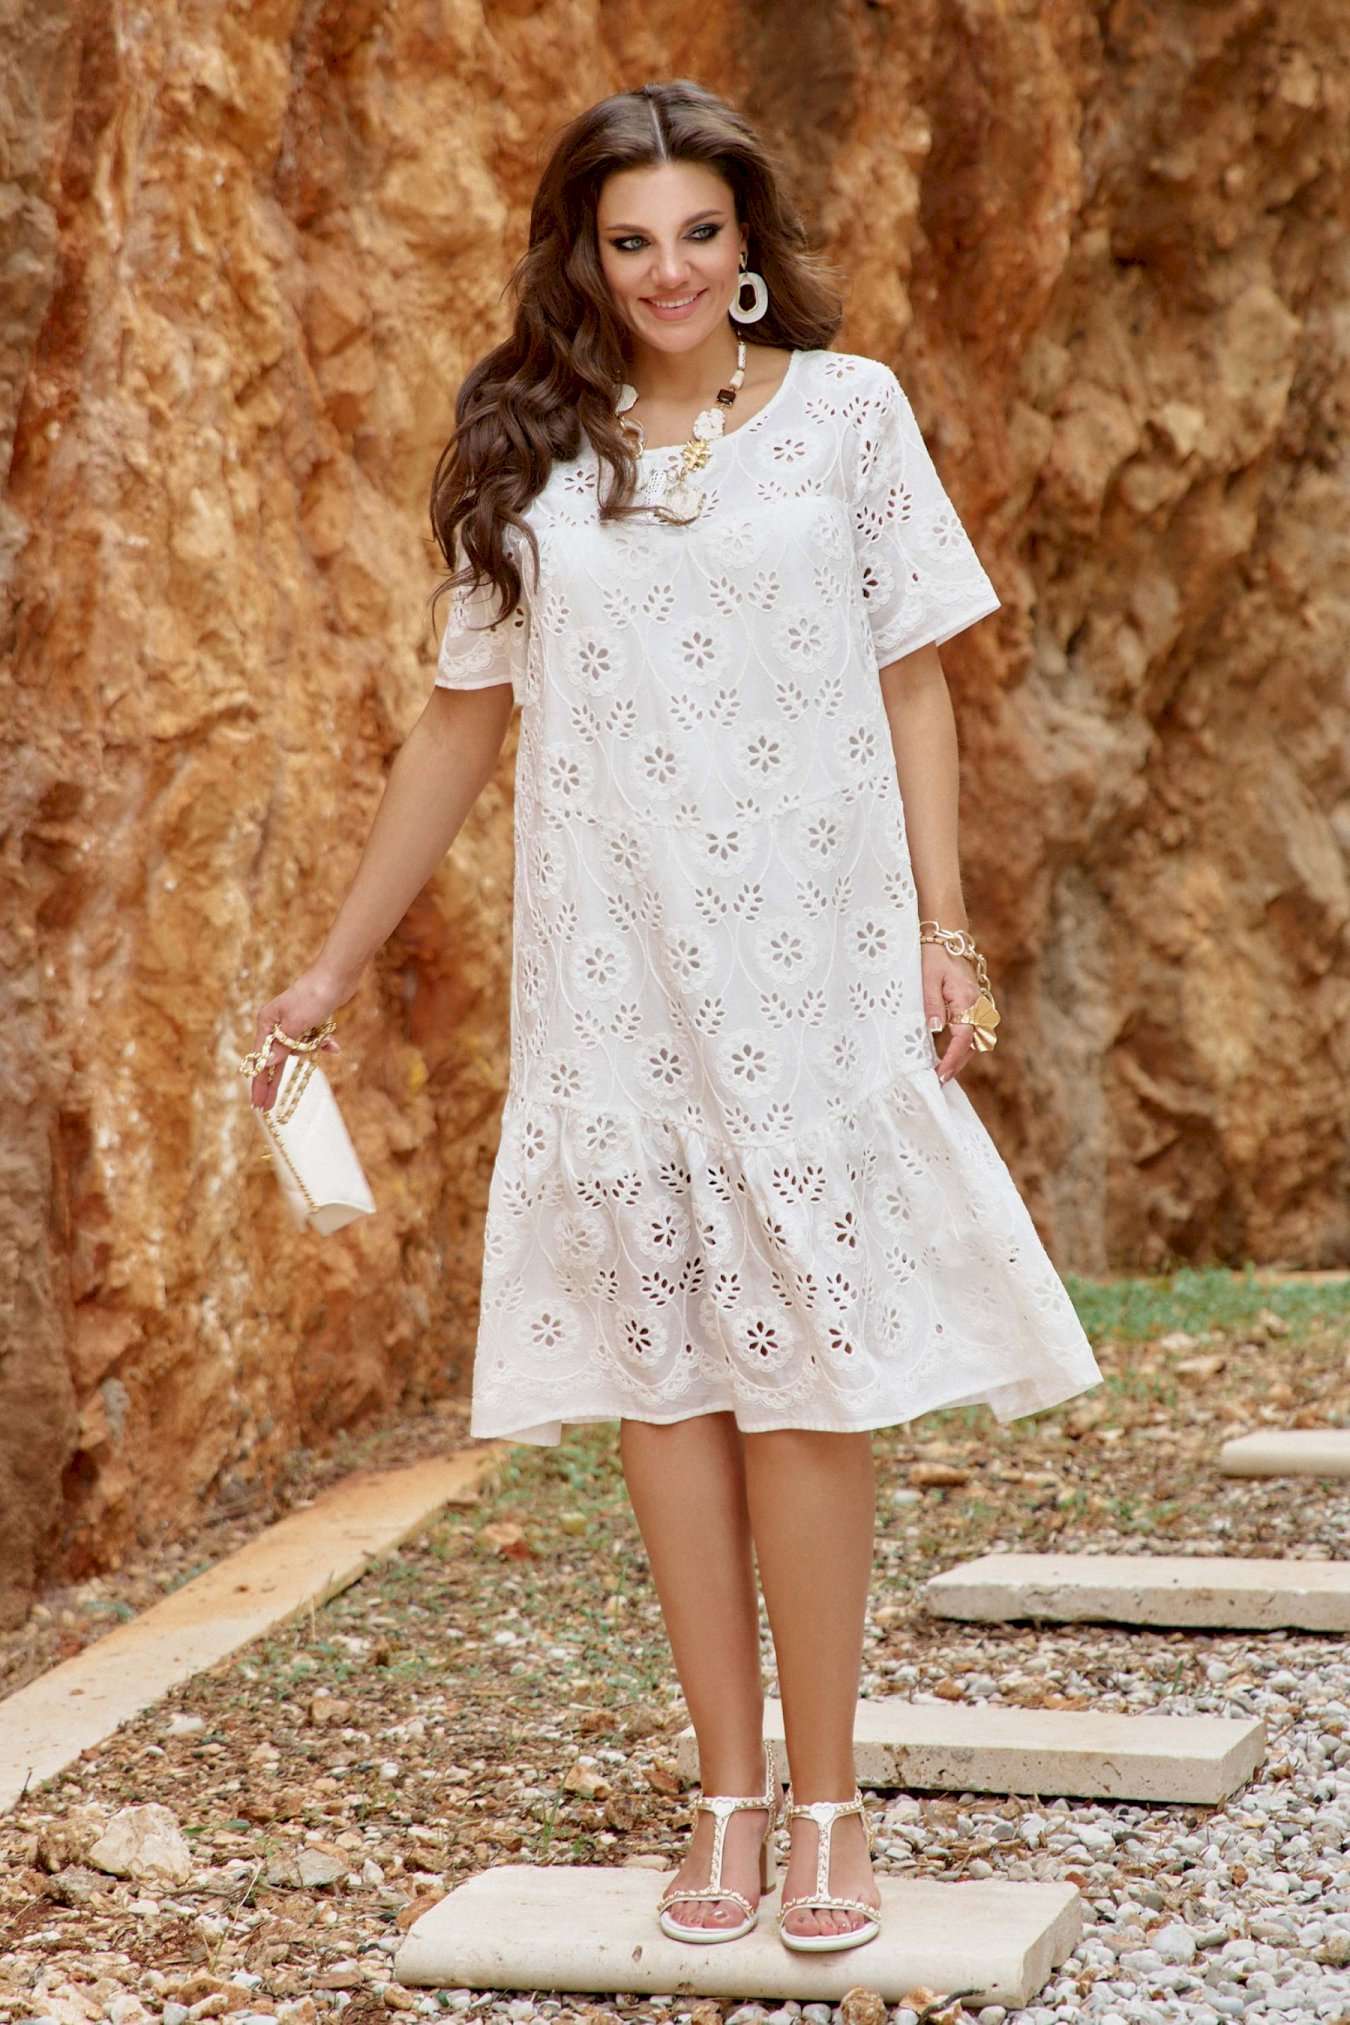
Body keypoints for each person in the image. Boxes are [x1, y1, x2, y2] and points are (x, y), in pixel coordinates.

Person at [247, 80, 1104, 1955]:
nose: (666, 271)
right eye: (628, 240)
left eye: (697, 233)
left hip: (811, 965)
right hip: (614, 976)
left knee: (804, 1379)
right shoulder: (528, 458)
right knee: (669, 1379)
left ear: (746, 241)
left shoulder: (850, 413)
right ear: (581, 254)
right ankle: (724, 1791)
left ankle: (828, 1802)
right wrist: (329, 967)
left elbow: (915, 682)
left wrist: (942, 931)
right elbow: (459, 724)